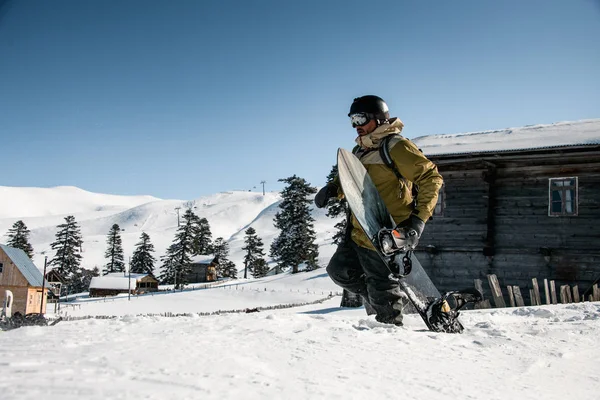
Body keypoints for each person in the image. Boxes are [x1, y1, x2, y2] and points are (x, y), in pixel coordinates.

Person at [315, 95, 443, 326]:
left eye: (360, 118)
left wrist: (418, 221)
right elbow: (351, 179)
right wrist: (333, 188)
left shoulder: (396, 146)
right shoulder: (360, 150)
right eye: (352, 120)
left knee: (381, 287)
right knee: (339, 271)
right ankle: (387, 298)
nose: (356, 125)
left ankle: (391, 328)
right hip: (359, 229)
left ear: (378, 119)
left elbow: (431, 178)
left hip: (387, 233)